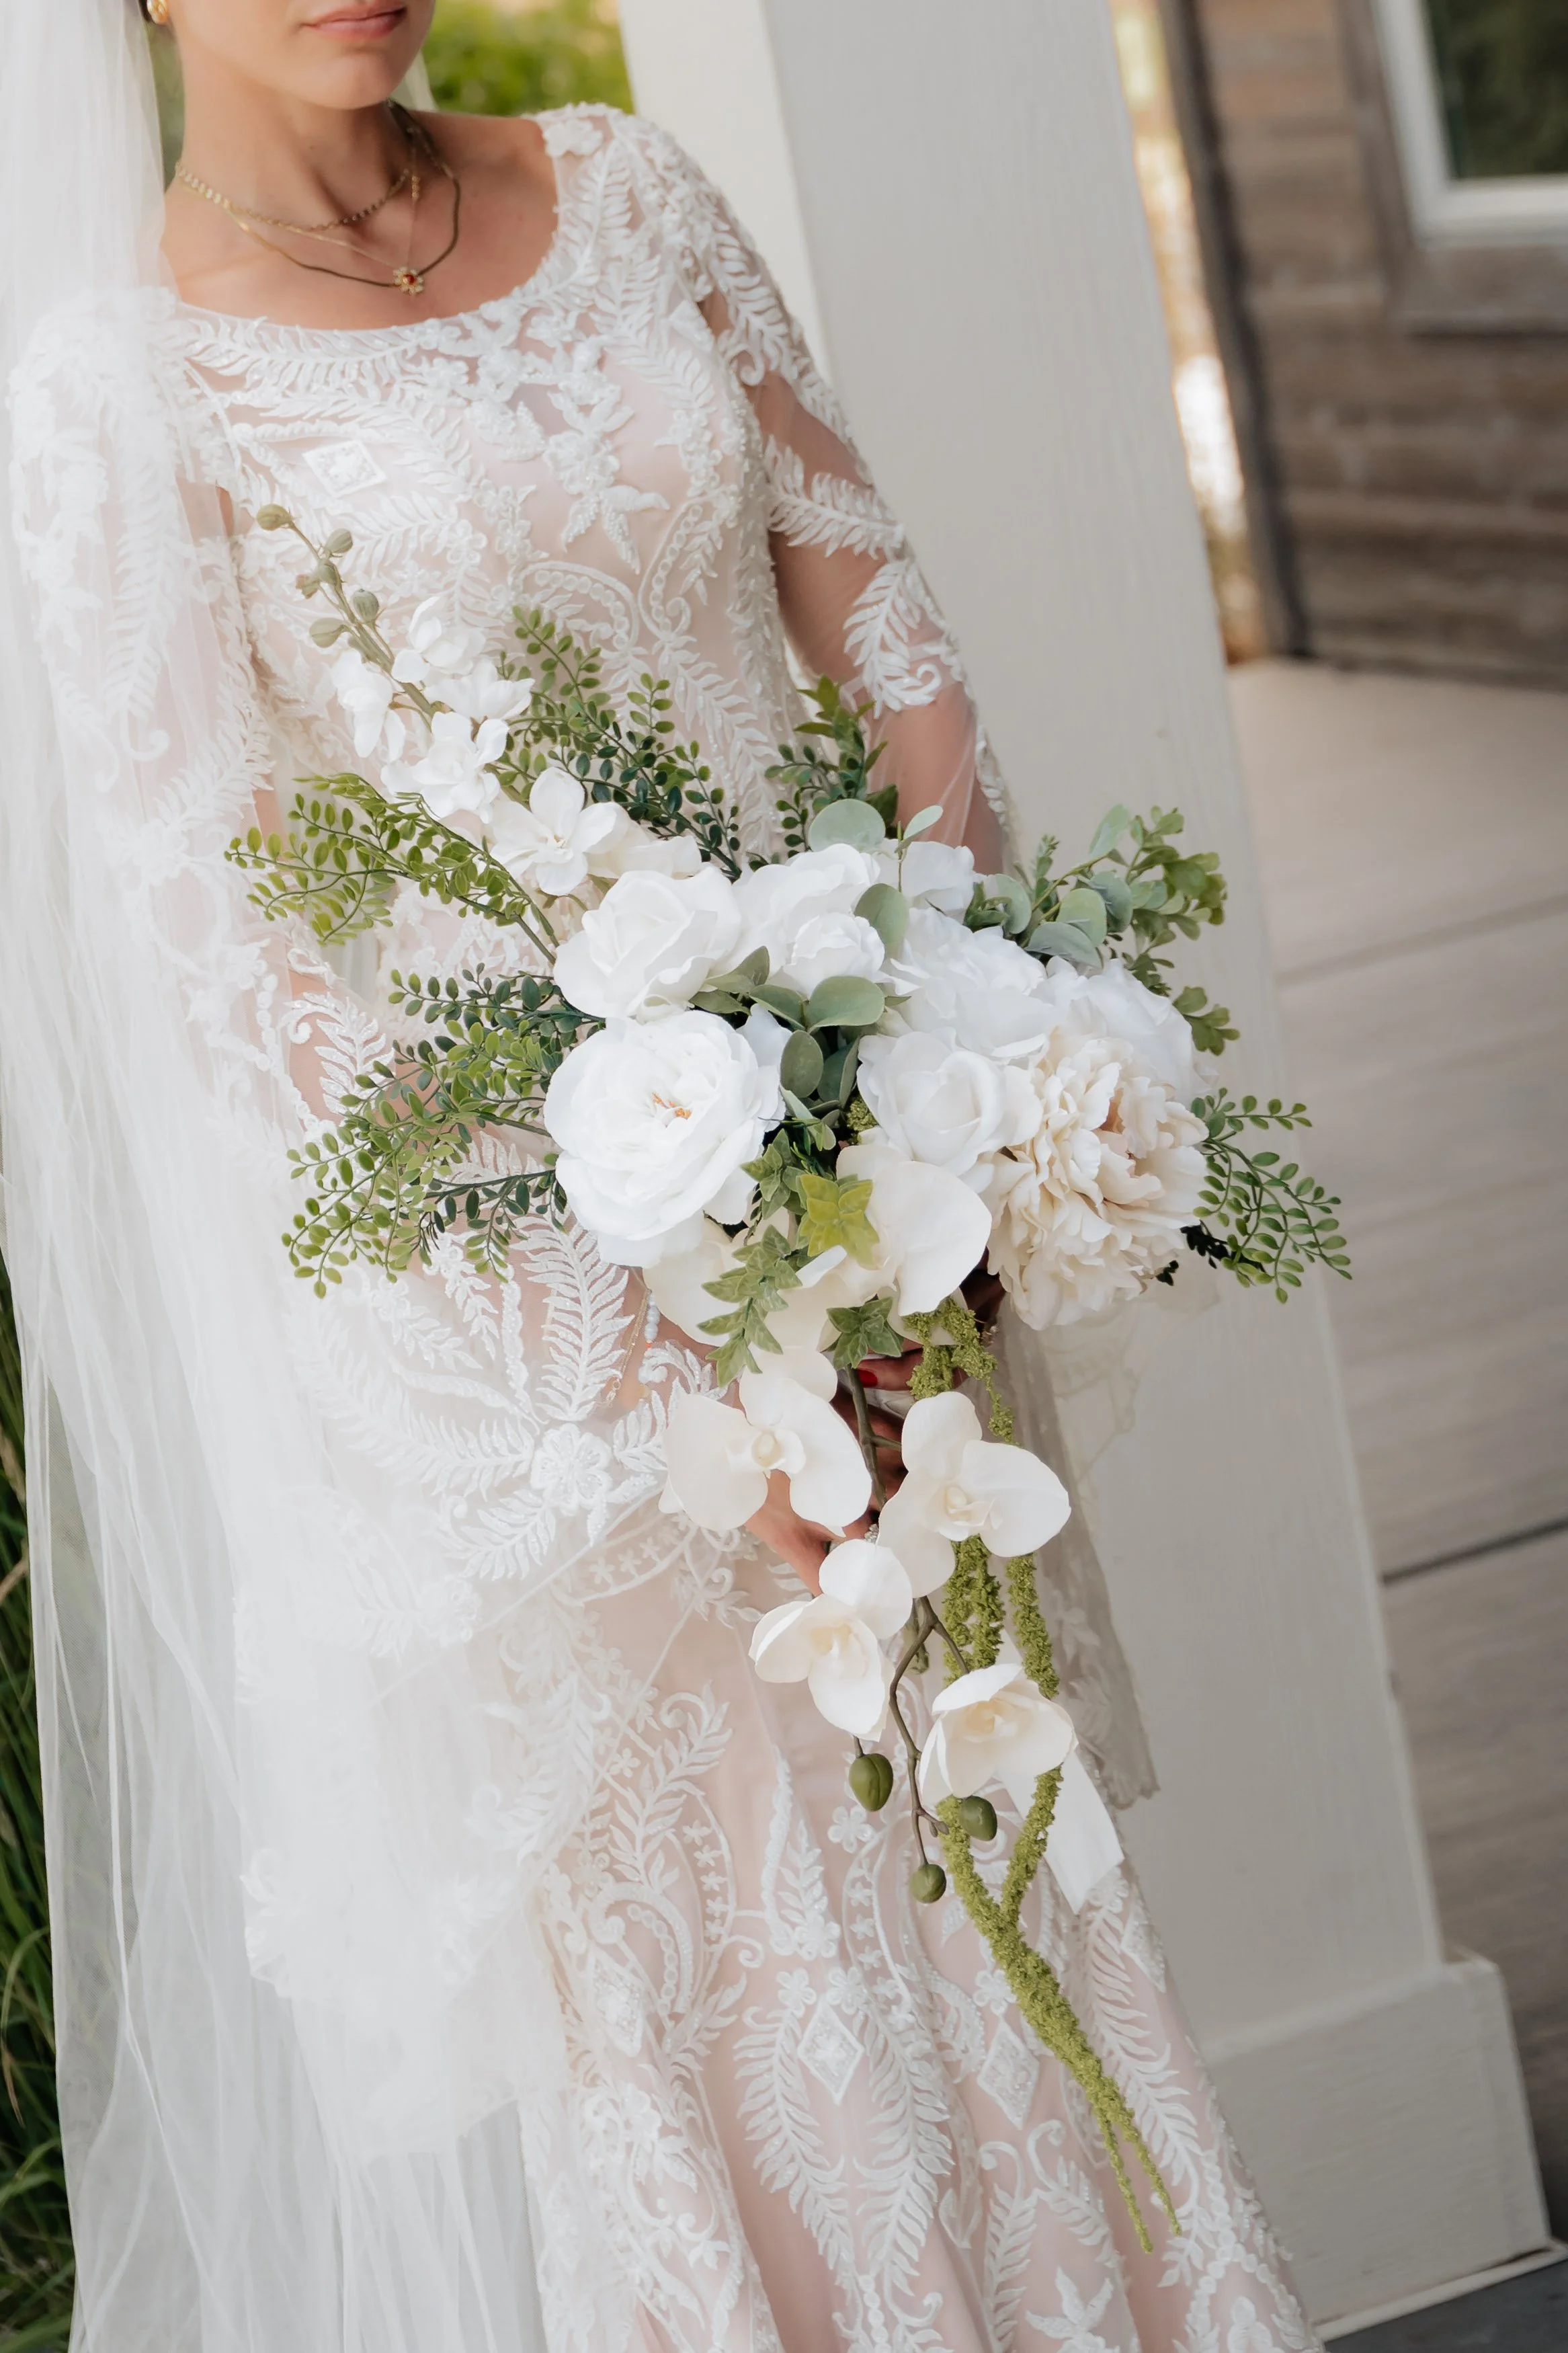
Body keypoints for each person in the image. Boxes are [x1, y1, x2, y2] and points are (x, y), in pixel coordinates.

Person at [0, 3, 1319, 2347]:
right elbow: (221, 963)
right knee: (757, 1997)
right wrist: (688, 1310)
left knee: (989, 1893)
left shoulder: (627, 188)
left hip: (866, 1196)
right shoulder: (115, 391)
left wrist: (959, 1099)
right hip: (543, 1351)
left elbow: (880, 623)